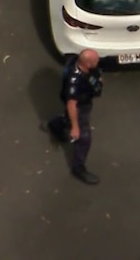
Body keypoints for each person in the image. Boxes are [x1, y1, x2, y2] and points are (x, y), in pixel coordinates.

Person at [46, 48, 103, 185]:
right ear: (87, 64)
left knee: (67, 120)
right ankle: (78, 168)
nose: (98, 61)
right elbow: (72, 104)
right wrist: (76, 128)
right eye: (96, 60)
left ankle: (56, 126)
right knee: (84, 139)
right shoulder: (75, 81)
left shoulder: (81, 64)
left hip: (85, 101)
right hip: (79, 107)